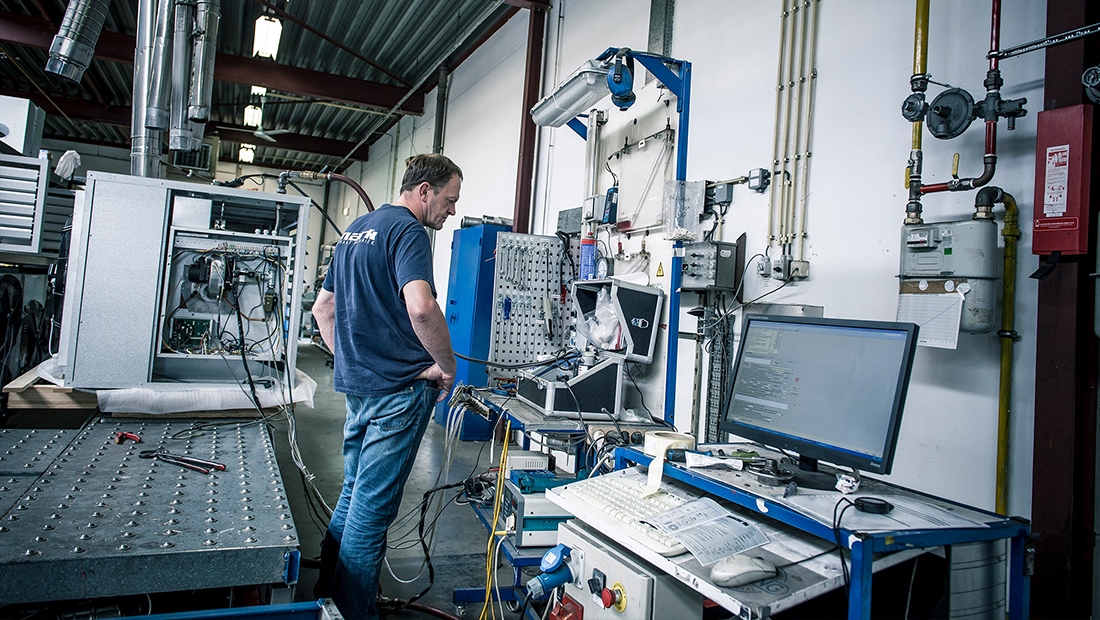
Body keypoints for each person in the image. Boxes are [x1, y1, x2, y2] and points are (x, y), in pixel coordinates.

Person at [312, 153, 461, 620]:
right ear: (424, 191)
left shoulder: (354, 232)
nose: (451, 211)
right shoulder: (408, 232)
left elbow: (323, 310)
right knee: (371, 513)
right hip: (399, 395)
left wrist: (357, 363)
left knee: (354, 492)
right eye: (449, 199)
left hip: (360, 390)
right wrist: (446, 366)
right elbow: (421, 308)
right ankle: (353, 614)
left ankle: (322, 597)